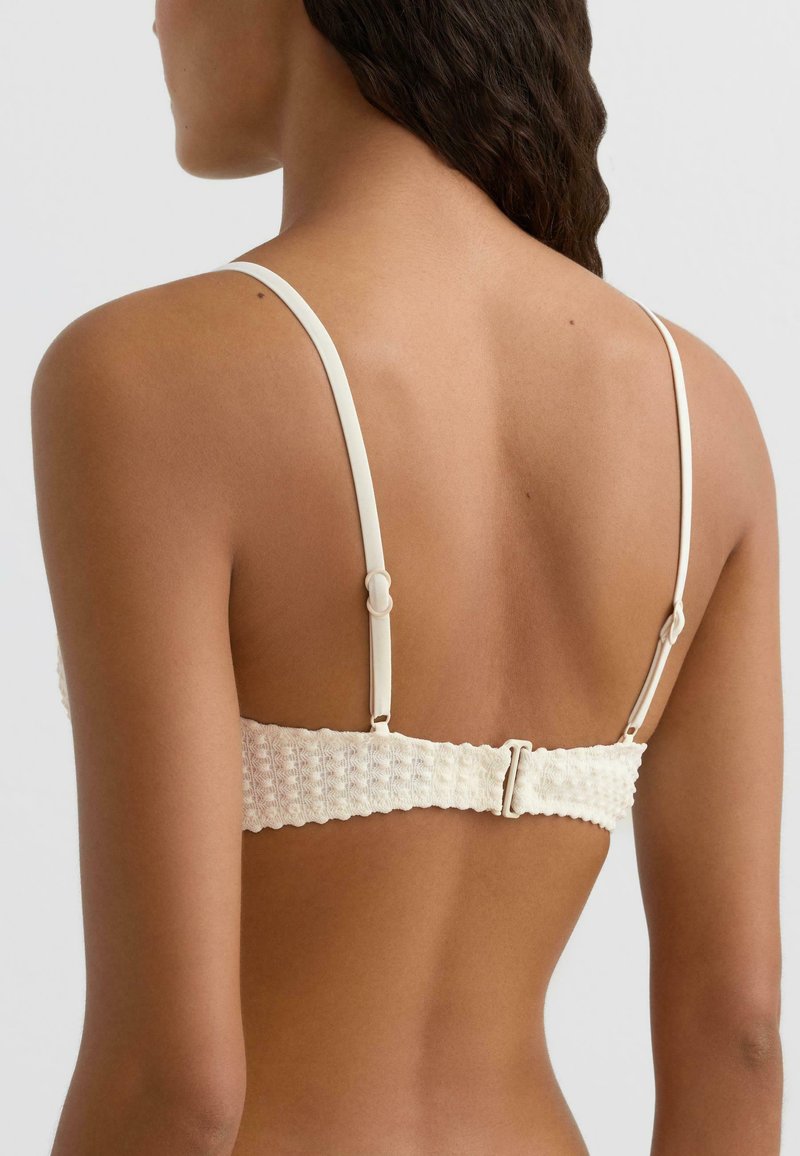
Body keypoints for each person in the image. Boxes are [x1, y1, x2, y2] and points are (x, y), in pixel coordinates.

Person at [32, 2, 783, 1154]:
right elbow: (736, 1034)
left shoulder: (144, 377)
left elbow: (169, 1083)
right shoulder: (702, 417)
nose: (152, 15)